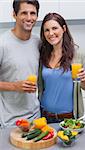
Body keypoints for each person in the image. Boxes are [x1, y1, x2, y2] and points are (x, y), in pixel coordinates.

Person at [38, 13, 85, 123]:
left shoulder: (79, 53)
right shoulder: (43, 54)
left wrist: (83, 79)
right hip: (44, 116)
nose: (51, 33)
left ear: (63, 29)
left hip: (69, 118)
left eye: (54, 28)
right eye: (46, 30)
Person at [0, 0, 40, 128]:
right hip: (10, 122)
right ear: (14, 14)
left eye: (32, 13)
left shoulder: (38, 43)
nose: (29, 18)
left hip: (36, 118)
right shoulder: (2, 43)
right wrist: (15, 86)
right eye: (24, 13)